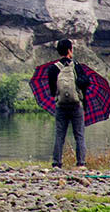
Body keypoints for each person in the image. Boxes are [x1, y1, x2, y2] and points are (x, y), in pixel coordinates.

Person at [48, 39, 91, 168]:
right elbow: (85, 85)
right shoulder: (77, 66)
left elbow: (52, 90)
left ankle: (56, 163)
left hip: (61, 106)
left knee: (59, 135)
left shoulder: (53, 68)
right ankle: (81, 163)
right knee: (79, 135)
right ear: (69, 50)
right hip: (76, 106)